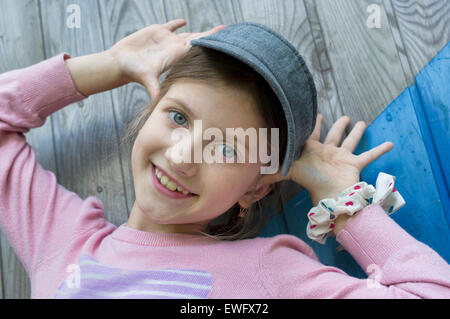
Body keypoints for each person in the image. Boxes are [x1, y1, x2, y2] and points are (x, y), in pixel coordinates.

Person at [0, 19, 449, 299]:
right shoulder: (64, 243)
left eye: (228, 147)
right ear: (149, 112)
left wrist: (341, 200)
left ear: (256, 187)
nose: (183, 156)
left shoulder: (267, 275)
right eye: (177, 116)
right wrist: (115, 63)